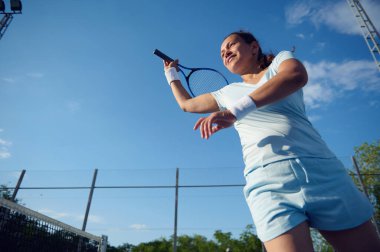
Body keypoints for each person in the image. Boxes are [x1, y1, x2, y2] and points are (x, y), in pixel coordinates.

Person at [161, 30, 380, 252]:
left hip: (324, 172)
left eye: (230, 45)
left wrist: (235, 112)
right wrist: (171, 75)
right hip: (268, 182)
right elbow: (186, 105)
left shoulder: (280, 63)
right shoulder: (225, 93)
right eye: (221, 52)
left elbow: (296, 75)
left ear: (254, 47)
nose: (225, 52)